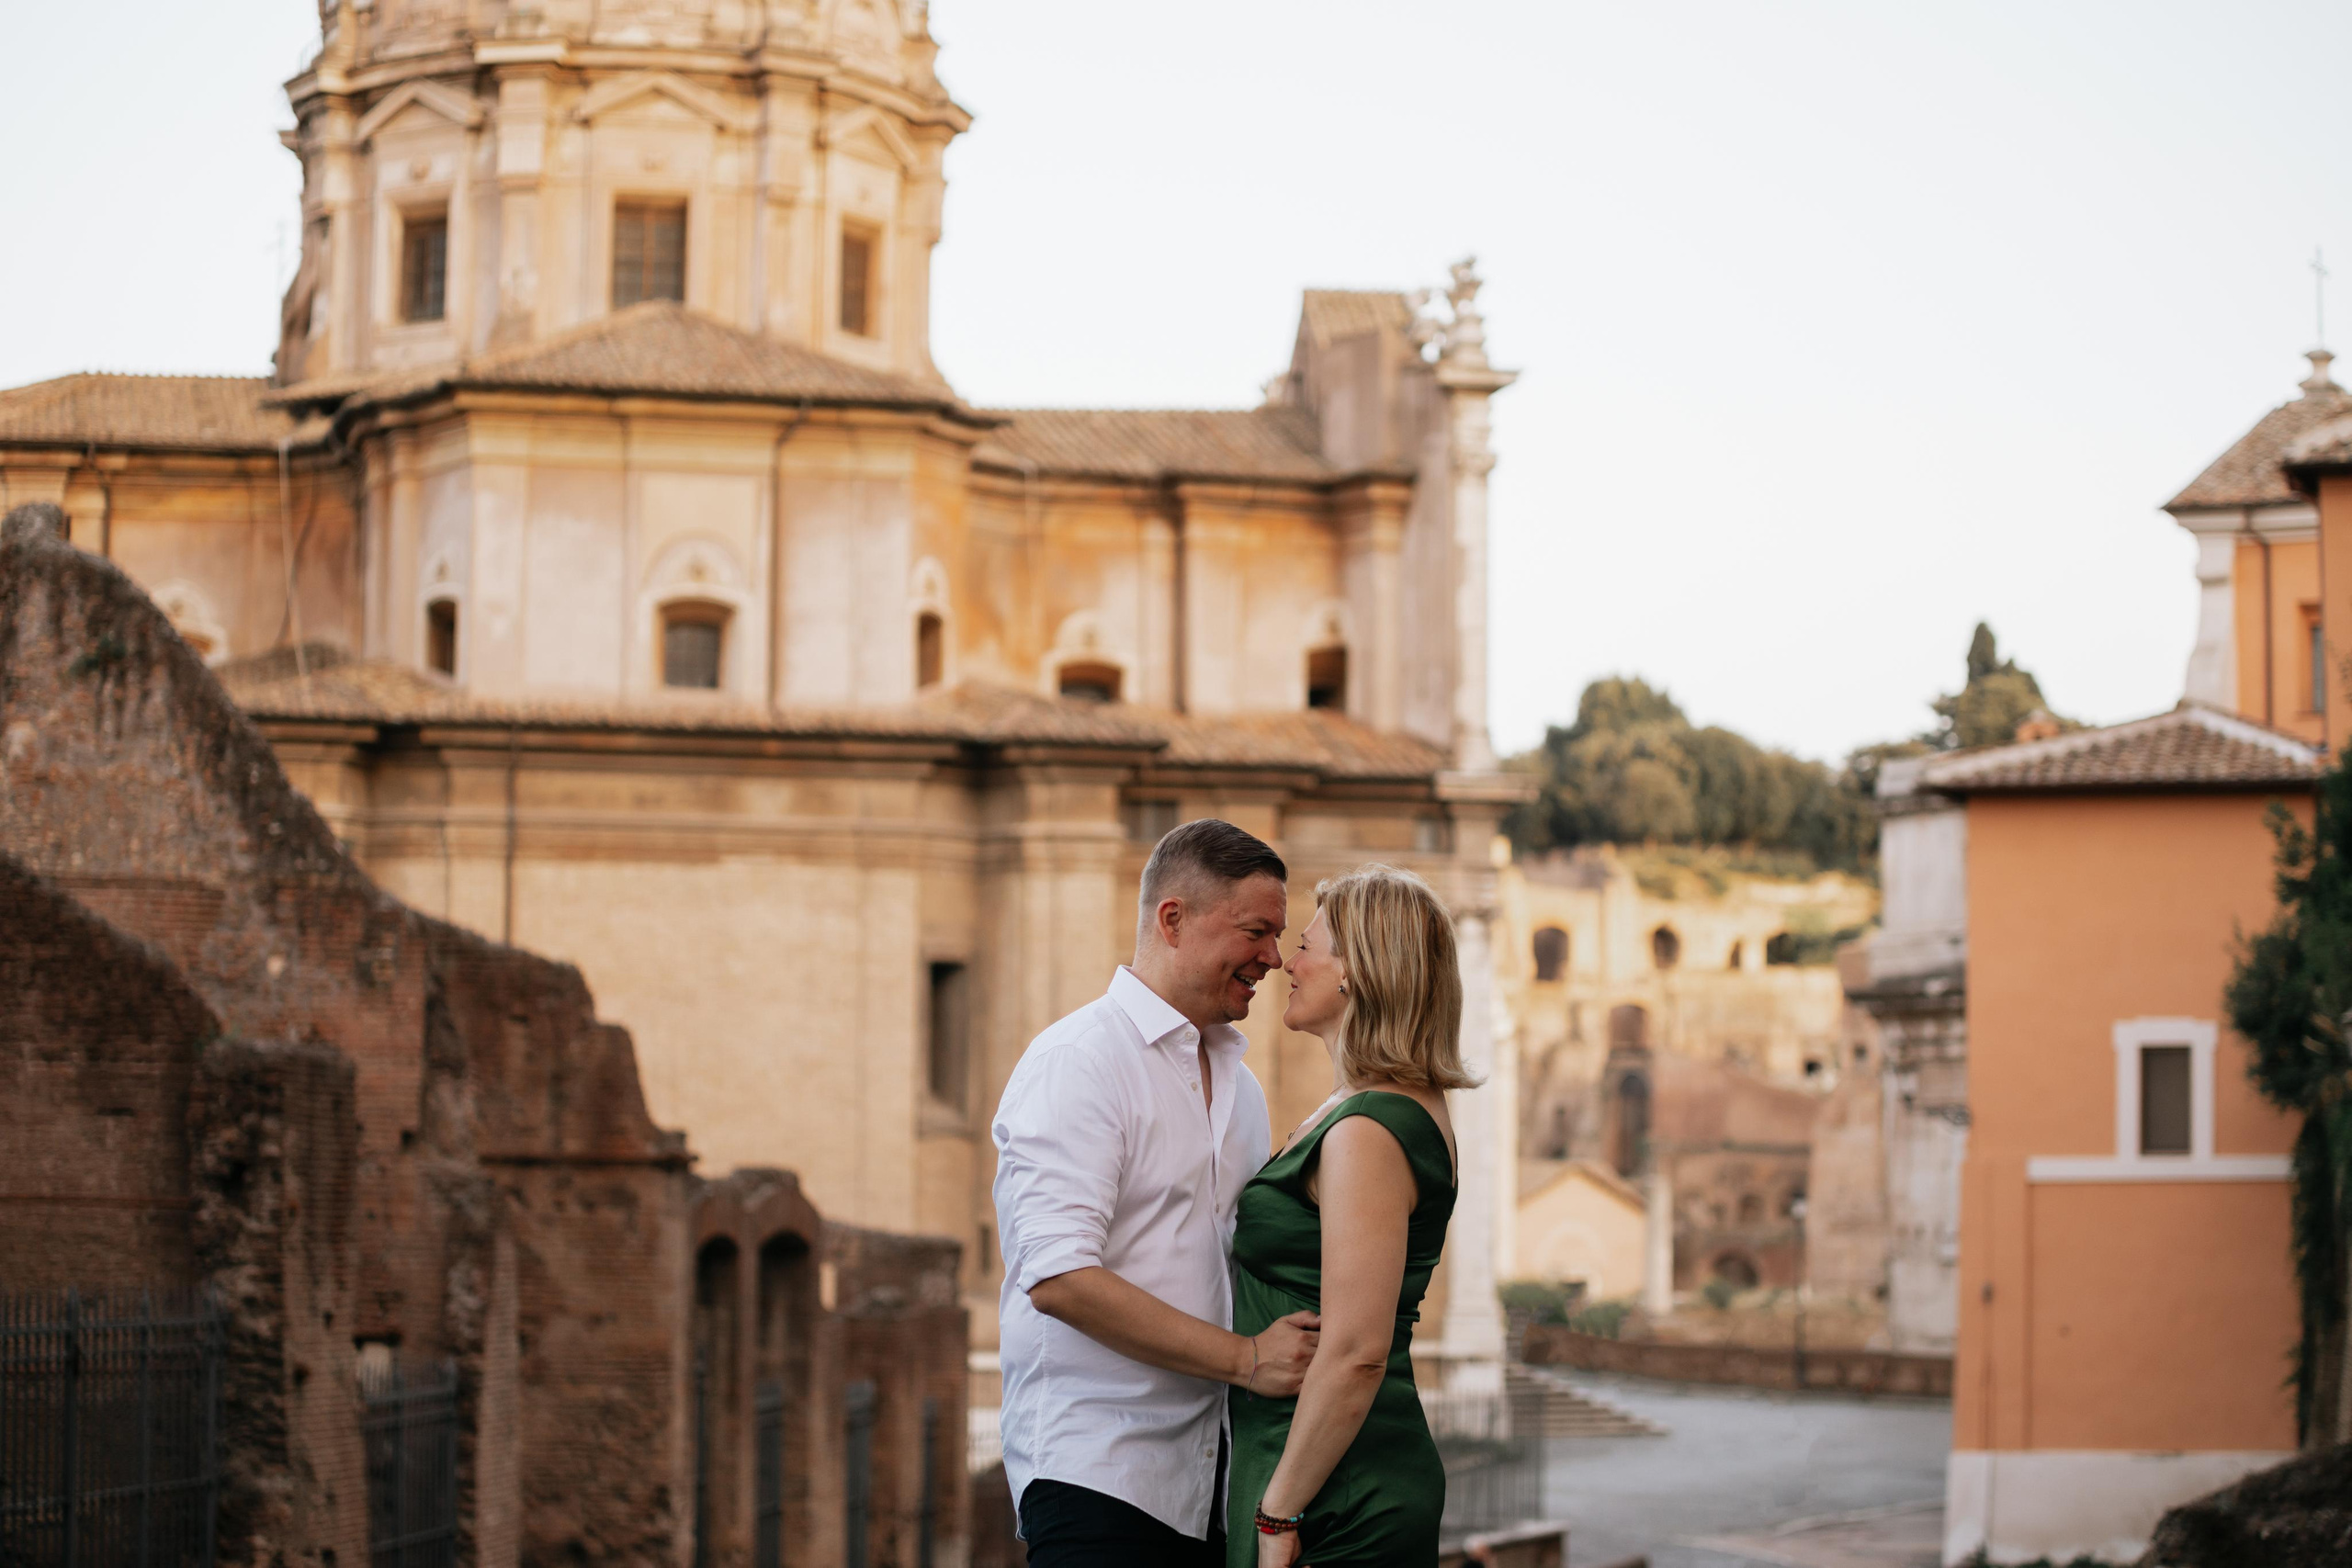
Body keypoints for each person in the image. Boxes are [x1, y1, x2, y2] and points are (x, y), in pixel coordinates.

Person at [993, 818, 1324, 1568]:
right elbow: (1058, 1278)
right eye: (1255, 931)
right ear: (1173, 919)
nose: (1274, 957)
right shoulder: (1078, 1061)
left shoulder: (1242, 1089)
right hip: (1097, 1476)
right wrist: (1246, 1359)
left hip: (1212, 1485)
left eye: (1280, 935)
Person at [1228, 864, 1475, 1568]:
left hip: (1330, 1487)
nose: (1284, 961)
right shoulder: (1366, 1108)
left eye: (1306, 945)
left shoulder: (1372, 1126)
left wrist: (1277, 1515)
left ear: (1357, 972)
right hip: (1312, 1464)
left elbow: (1357, 1349)